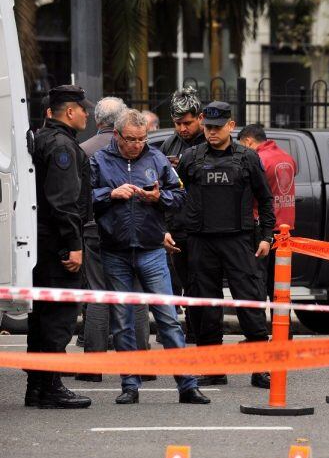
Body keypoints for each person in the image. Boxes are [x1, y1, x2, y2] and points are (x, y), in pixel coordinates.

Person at [91, 109, 210, 405]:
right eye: (130, 139)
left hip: (152, 249)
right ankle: (130, 384)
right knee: (122, 321)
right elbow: (84, 197)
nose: (136, 144)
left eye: (142, 139)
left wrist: (160, 198)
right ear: (117, 135)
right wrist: (110, 194)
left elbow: (180, 195)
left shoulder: (156, 158)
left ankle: (187, 385)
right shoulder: (99, 161)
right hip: (115, 250)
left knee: (168, 318)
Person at [177, 102, 275, 388]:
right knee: (205, 306)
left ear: (231, 126)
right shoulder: (191, 157)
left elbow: (265, 199)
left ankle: (260, 368)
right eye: (207, 128)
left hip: (238, 240)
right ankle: (213, 368)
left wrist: (267, 237)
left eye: (217, 128)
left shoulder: (247, 158)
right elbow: (175, 197)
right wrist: (171, 230)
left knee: (250, 302)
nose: (211, 133)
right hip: (200, 240)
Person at [25, 85, 94, 409]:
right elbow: (63, 202)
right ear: (70, 112)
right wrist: (73, 245)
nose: (87, 114)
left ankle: (37, 387)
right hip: (57, 244)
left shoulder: (44, 138)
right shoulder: (63, 146)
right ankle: (51, 387)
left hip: (42, 241)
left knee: (42, 316)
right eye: (83, 109)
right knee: (59, 317)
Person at [76, 97, 153, 383]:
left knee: (98, 294)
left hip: (94, 229)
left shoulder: (82, 150)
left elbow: (80, 197)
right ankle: (141, 363)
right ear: (122, 123)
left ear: (98, 121)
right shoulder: (141, 152)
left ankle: (93, 366)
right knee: (136, 294)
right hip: (133, 230)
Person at [159, 87, 213, 344]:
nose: (182, 128)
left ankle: (202, 335)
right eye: (178, 123)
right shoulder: (170, 143)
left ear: (200, 118)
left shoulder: (211, 140)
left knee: (203, 282)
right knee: (184, 282)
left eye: (188, 123)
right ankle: (191, 333)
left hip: (206, 225)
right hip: (178, 223)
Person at [238, 123, 297, 303]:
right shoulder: (287, 157)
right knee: (280, 281)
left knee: (258, 280)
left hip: (262, 229)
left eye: (241, 146)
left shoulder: (258, 159)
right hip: (285, 229)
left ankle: (260, 327)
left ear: (248, 141)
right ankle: (283, 329)